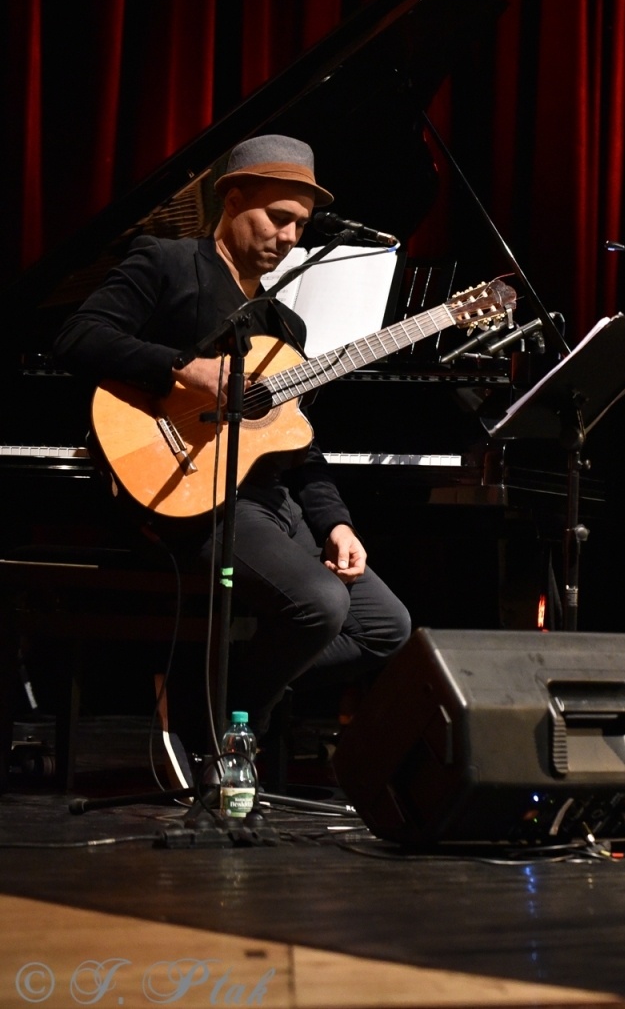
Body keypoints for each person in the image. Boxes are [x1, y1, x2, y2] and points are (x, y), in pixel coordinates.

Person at [54, 134, 411, 783]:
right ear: (233, 197)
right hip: (192, 492)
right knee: (320, 605)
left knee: (384, 626)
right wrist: (183, 370)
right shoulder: (166, 263)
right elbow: (78, 336)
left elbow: (300, 446)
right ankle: (221, 727)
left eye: (300, 226)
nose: (289, 238)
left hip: (270, 501)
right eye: (277, 218)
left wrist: (336, 523)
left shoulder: (285, 328)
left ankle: (213, 704)